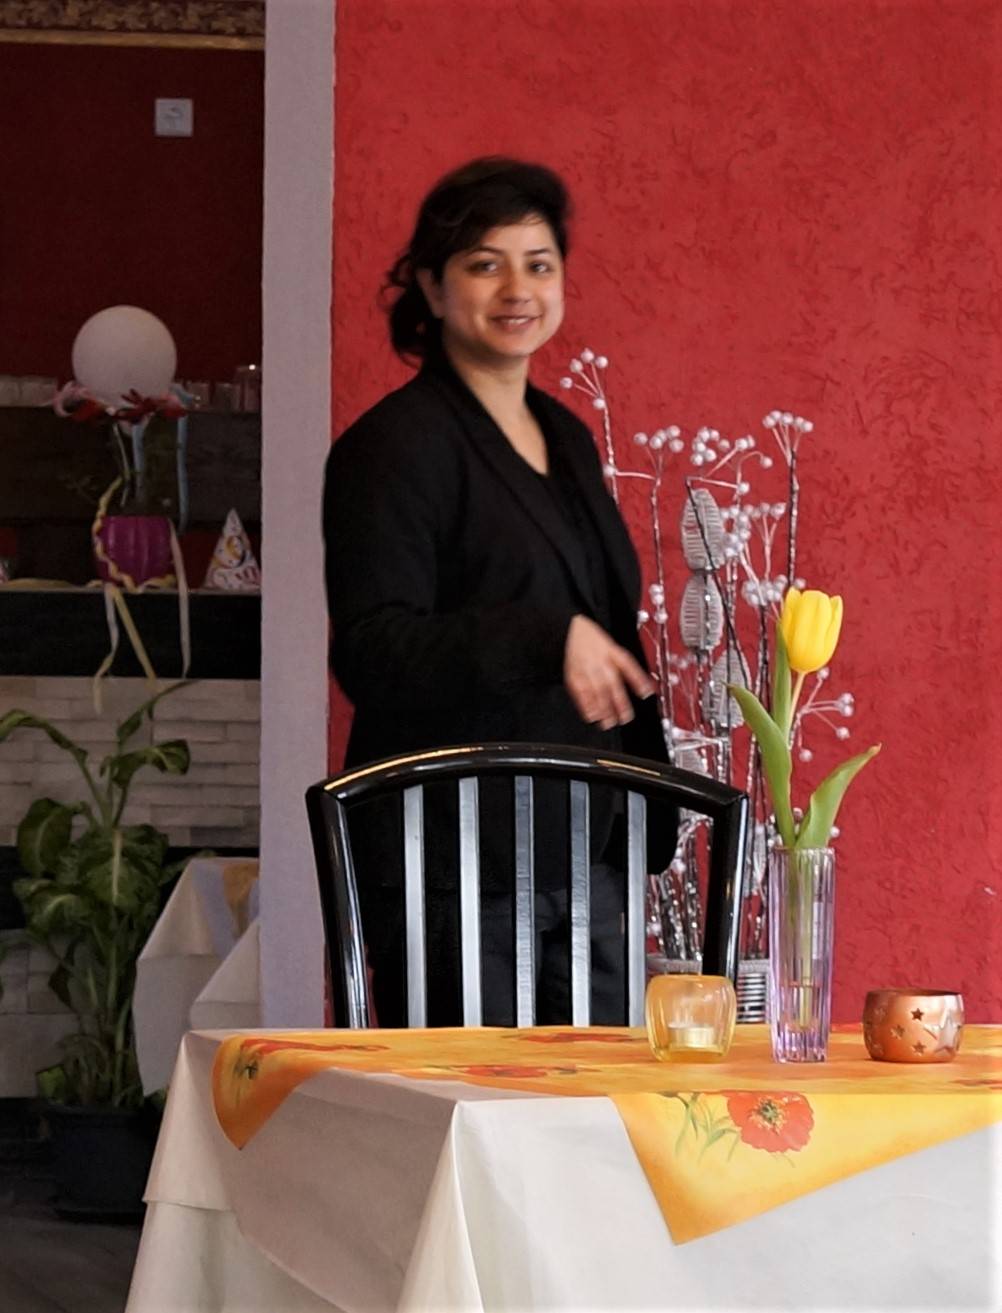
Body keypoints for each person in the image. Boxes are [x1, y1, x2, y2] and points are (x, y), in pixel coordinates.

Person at [323, 156, 672, 1026]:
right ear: (432, 288)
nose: (518, 289)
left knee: (596, 1106)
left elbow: (610, 625)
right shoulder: (394, 446)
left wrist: (650, 804)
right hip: (452, 867)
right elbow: (372, 649)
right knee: (474, 1104)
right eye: (486, 264)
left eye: (539, 264)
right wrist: (547, 635)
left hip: (585, 853)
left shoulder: (568, 436)